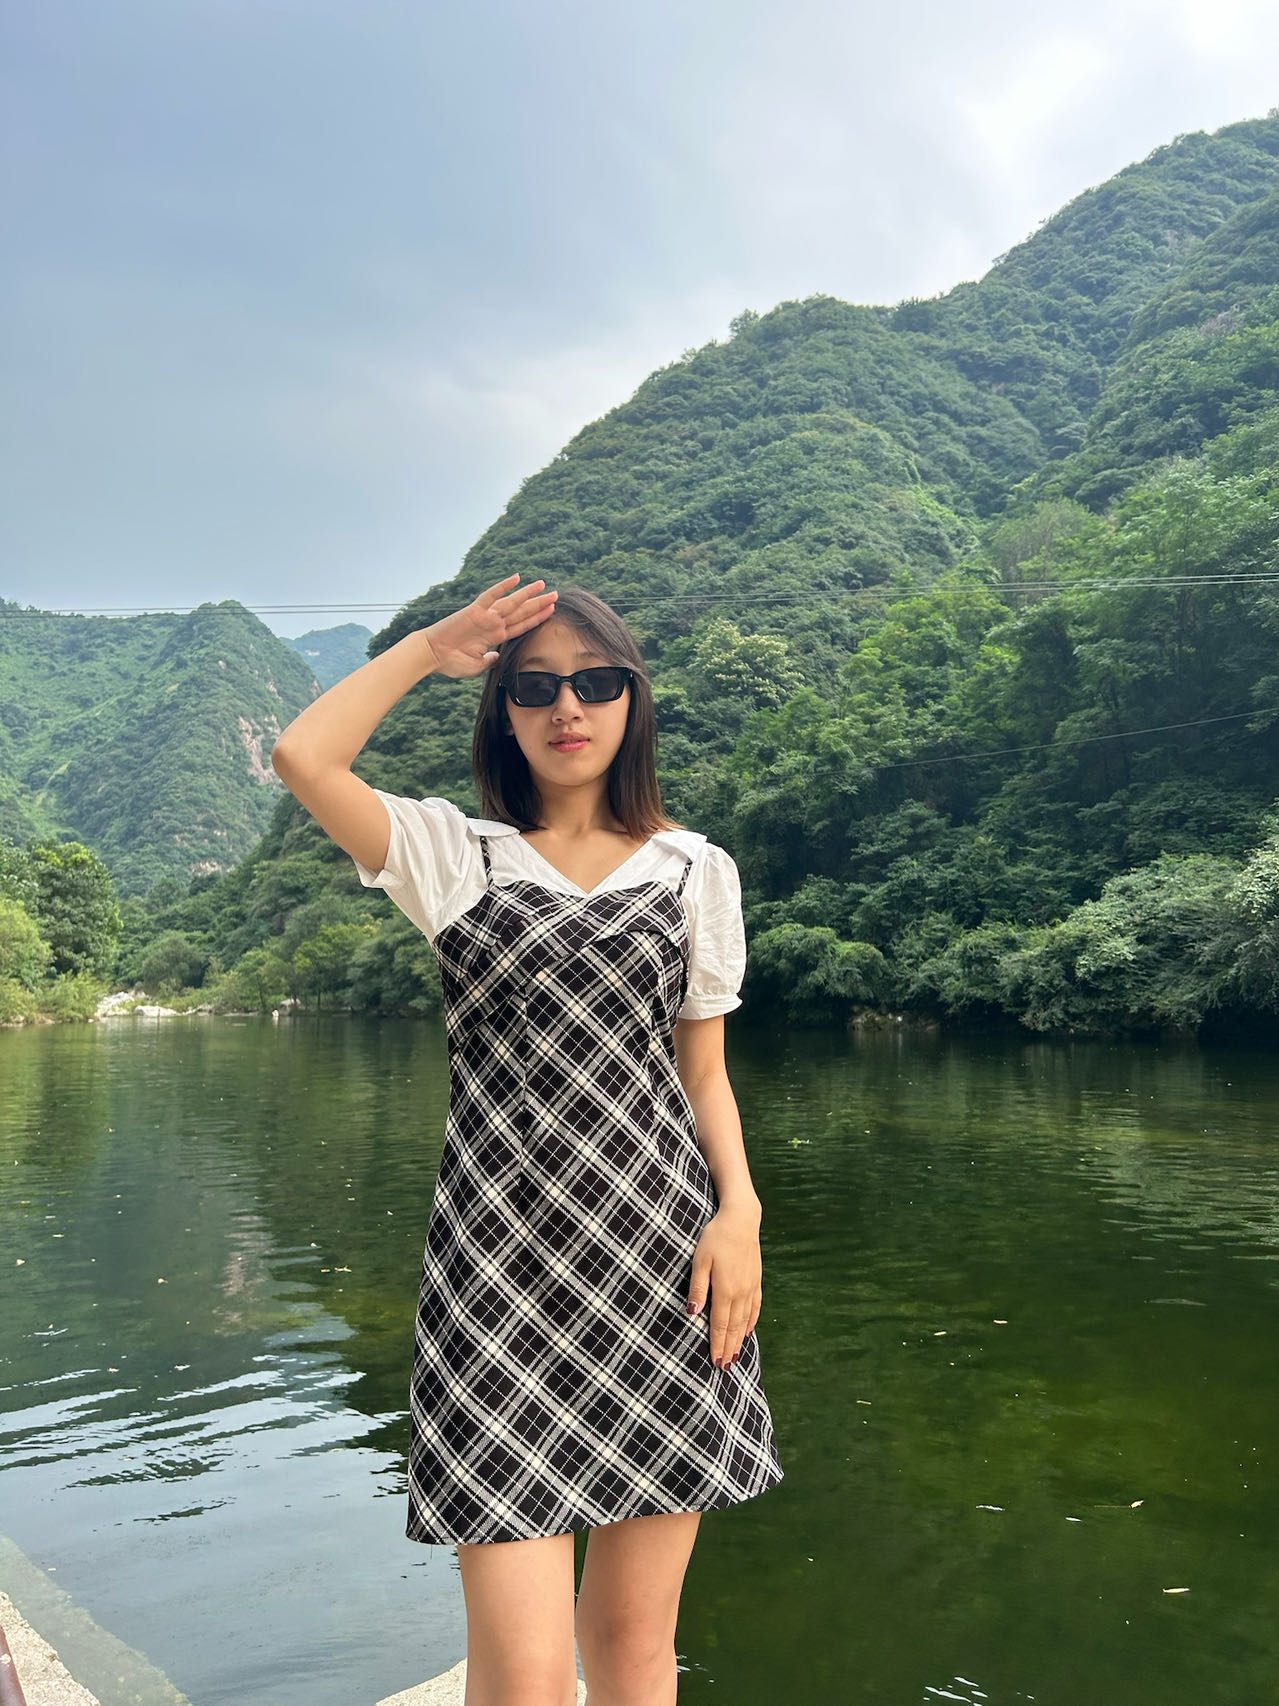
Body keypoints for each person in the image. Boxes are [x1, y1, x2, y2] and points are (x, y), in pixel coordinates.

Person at [271, 572, 783, 1706]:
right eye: (535, 686)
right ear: (503, 711)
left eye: (594, 682)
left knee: (636, 1648)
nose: (568, 707)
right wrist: (430, 647)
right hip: (497, 1282)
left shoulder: (693, 870)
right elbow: (305, 757)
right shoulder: (457, 858)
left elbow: (702, 1072)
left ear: (632, 699)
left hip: (664, 1269)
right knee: (524, 1676)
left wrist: (740, 1212)